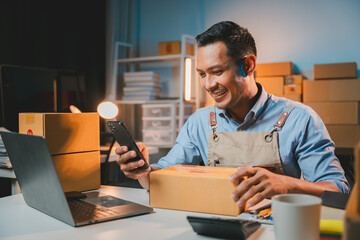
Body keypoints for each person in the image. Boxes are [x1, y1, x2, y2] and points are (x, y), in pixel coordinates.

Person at [115, 21, 350, 210]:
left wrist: (288, 185)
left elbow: (339, 193)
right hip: (214, 226)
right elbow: (163, 179)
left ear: (248, 65)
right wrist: (143, 172)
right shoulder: (199, 122)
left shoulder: (300, 119)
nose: (208, 84)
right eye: (201, 74)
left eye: (217, 72)